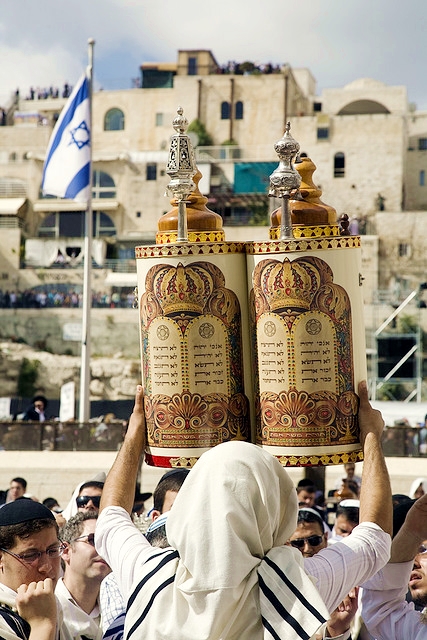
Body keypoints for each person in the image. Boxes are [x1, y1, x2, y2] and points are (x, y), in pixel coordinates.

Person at [96, 381, 392, 640]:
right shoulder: (295, 584)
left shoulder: (149, 573)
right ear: (278, 509)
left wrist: (135, 433)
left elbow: (110, 517)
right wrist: (371, 438)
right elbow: (374, 539)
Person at [361, 493, 427, 639]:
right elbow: (382, 612)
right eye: (407, 555)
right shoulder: (419, 630)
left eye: (423, 550)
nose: (411, 564)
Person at [0, 499, 63, 639]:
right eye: (31, 555)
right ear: (1, 558)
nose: (46, 566)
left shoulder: (56, 605)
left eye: (53, 551)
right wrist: (42, 625)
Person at [57, 512, 111, 639]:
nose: (103, 549)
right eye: (93, 540)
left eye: (108, 542)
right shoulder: (47, 607)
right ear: (65, 550)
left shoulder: (119, 610)